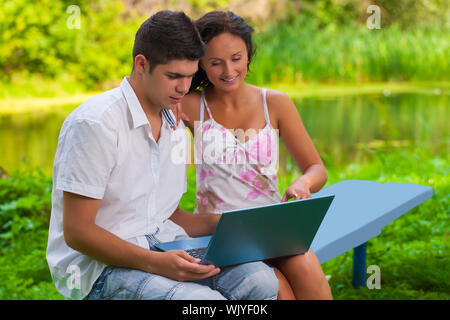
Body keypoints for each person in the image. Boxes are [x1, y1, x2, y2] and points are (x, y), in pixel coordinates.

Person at [46, 10, 278, 300]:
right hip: (100, 268)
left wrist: (235, 225)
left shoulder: (174, 123)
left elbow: (168, 214)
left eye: (191, 76)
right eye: (173, 76)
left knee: (261, 282)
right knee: (204, 303)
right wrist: (157, 264)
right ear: (142, 64)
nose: (184, 88)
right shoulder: (95, 124)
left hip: (166, 245)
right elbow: (78, 232)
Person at [180, 11, 333, 300]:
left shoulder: (274, 102)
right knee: (280, 293)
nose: (228, 70)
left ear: (248, 55)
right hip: (221, 234)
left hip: (272, 227)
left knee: (307, 269)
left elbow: (316, 168)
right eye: (215, 62)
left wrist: (303, 185)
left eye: (236, 58)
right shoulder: (190, 105)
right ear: (201, 62)